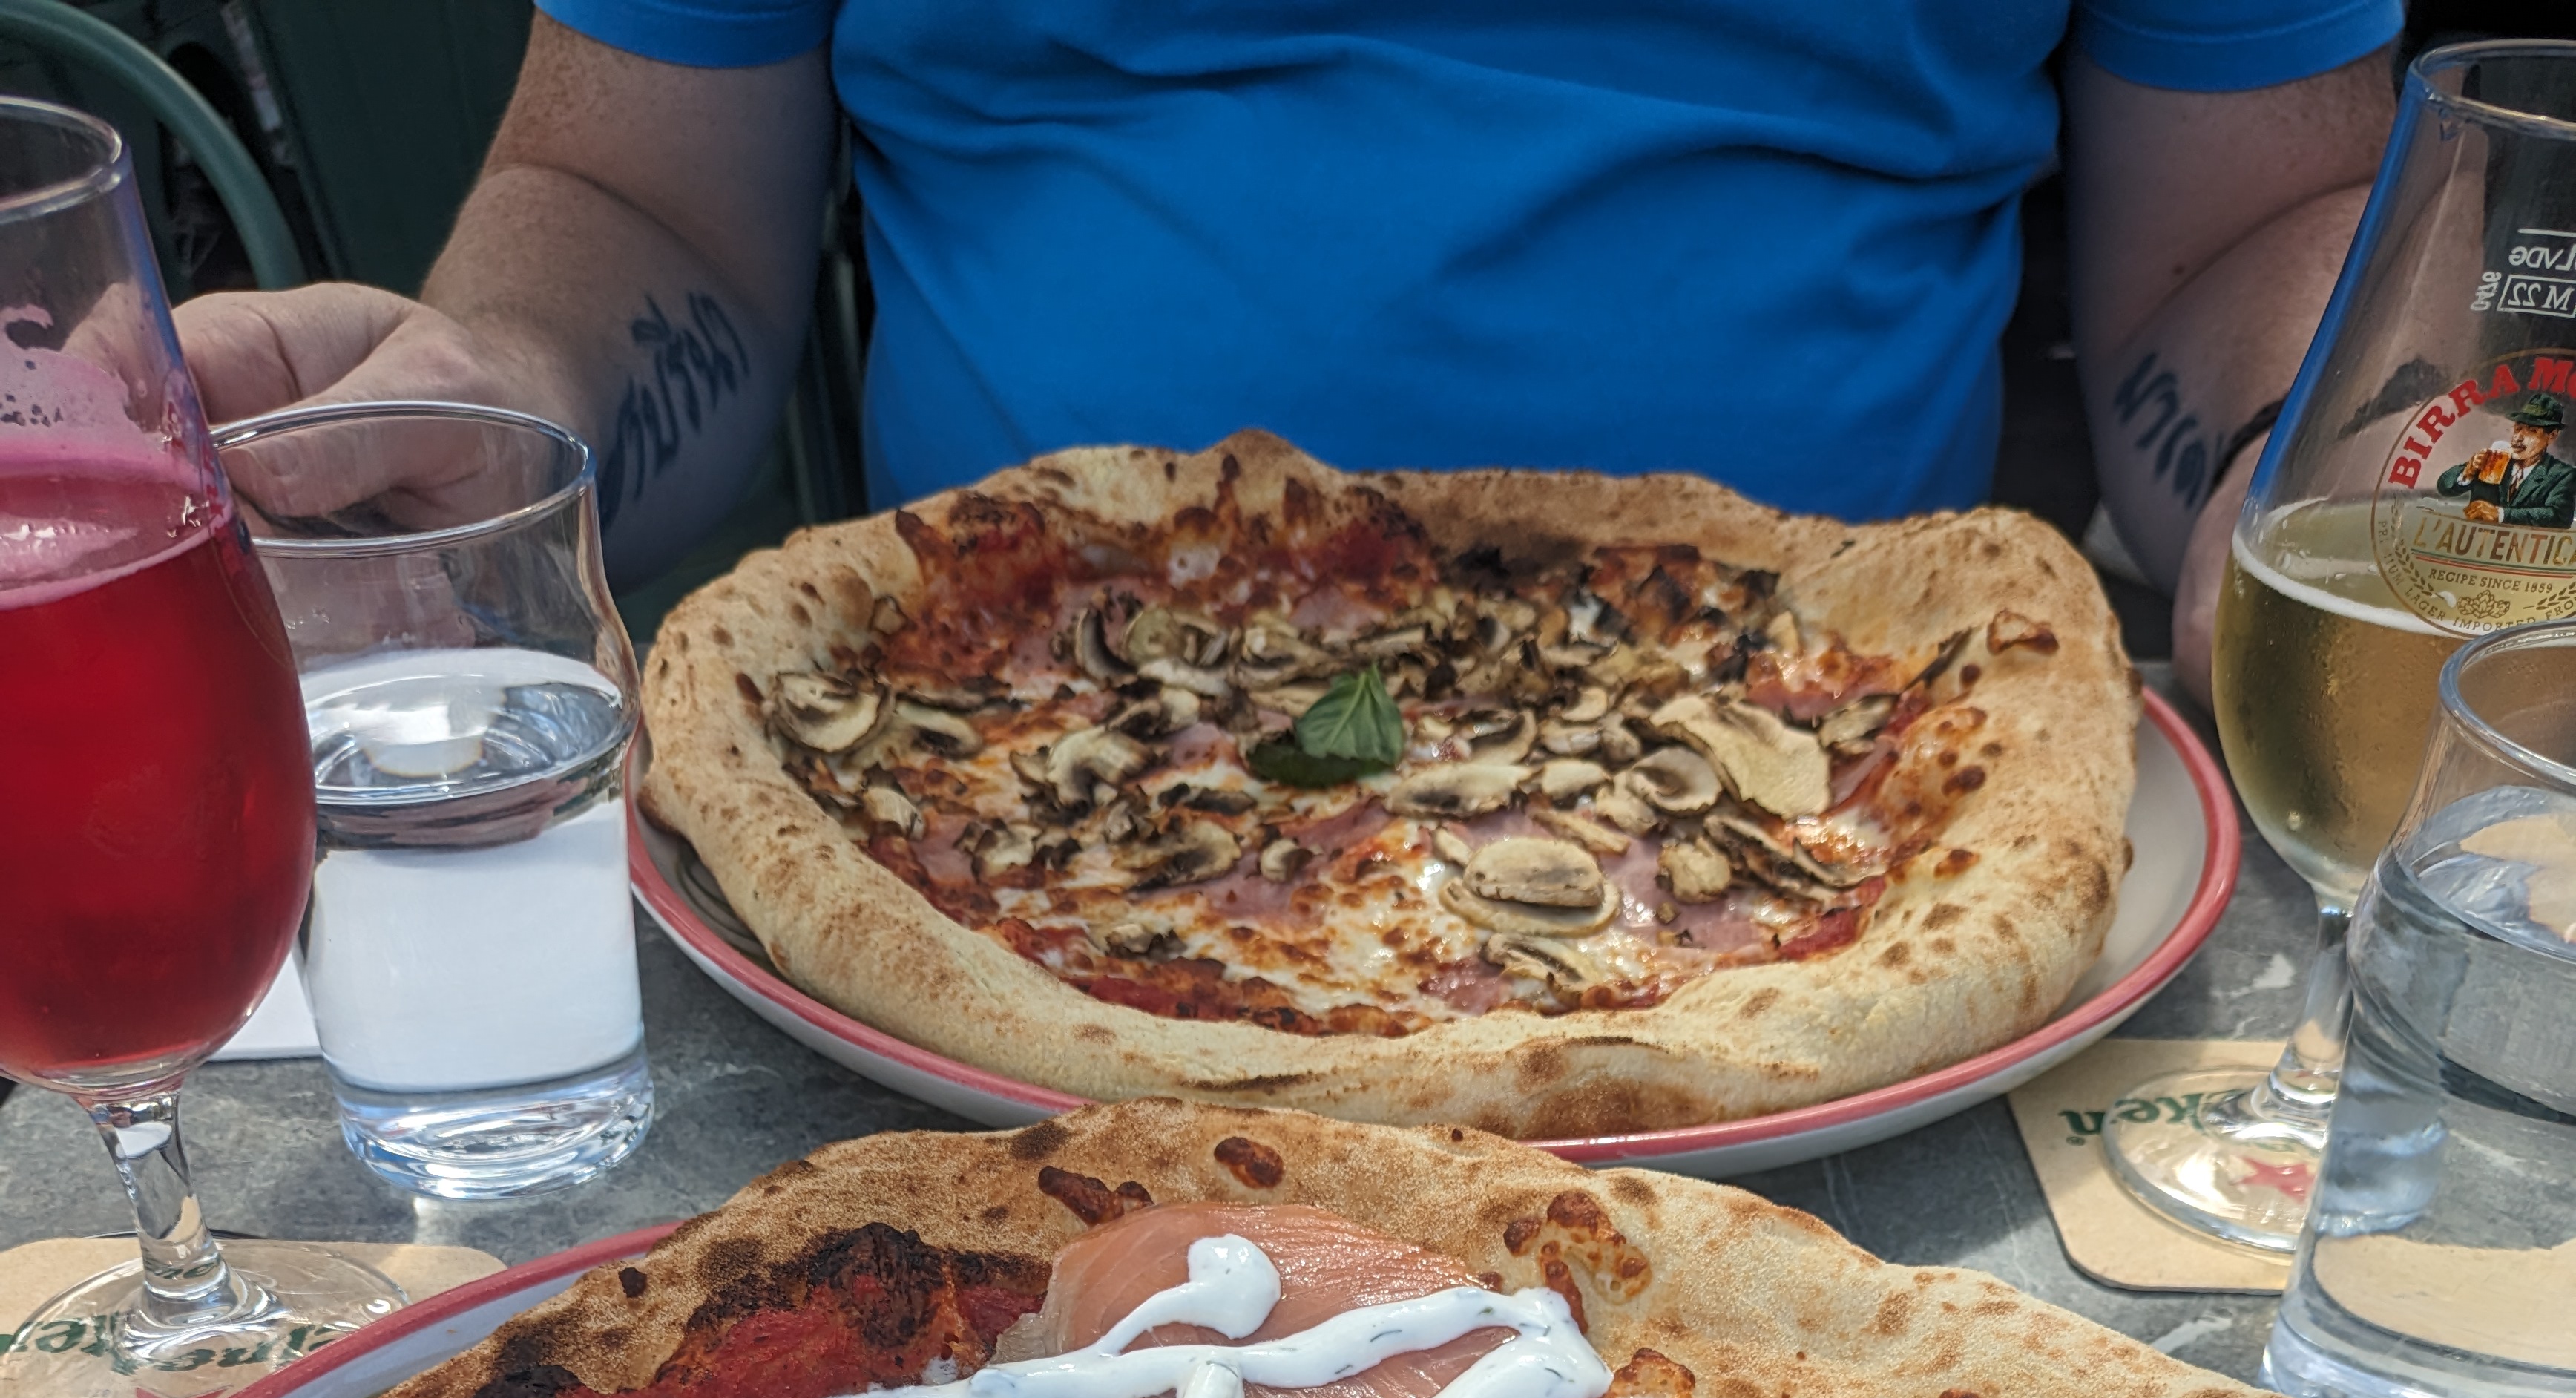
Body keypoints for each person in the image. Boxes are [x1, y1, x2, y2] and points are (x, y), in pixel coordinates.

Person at [174, 4, 2402, 697]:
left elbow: (2242, 235)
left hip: (1842, 764)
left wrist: (2330, 456)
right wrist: (514, 391)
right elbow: (645, 198)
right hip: (1001, 770)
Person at [2437, 390, 2576, 533]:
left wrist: (2501, 514)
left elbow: (2559, 517)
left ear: (2552, 436)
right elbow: (2444, 487)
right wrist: (2467, 473)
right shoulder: (2495, 459)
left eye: (2532, 431)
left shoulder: (2562, 474)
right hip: (2478, 543)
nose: (2518, 438)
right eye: (2518, 428)